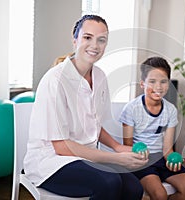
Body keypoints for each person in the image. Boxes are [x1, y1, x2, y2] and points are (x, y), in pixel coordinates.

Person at [23, 14, 148, 200]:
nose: (95, 45)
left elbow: (94, 126)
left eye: (101, 40)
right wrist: (116, 158)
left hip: (85, 158)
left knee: (133, 188)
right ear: (75, 40)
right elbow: (61, 147)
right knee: (109, 183)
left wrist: (118, 147)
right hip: (51, 162)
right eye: (87, 37)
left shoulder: (100, 77)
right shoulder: (55, 80)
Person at [119, 57, 185, 200]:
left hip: (161, 158)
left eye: (163, 81)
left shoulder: (171, 110)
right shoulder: (131, 109)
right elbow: (128, 145)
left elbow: (168, 149)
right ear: (142, 84)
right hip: (141, 161)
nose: (158, 87)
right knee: (160, 194)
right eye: (152, 82)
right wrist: (138, 149)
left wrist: (172, 158)